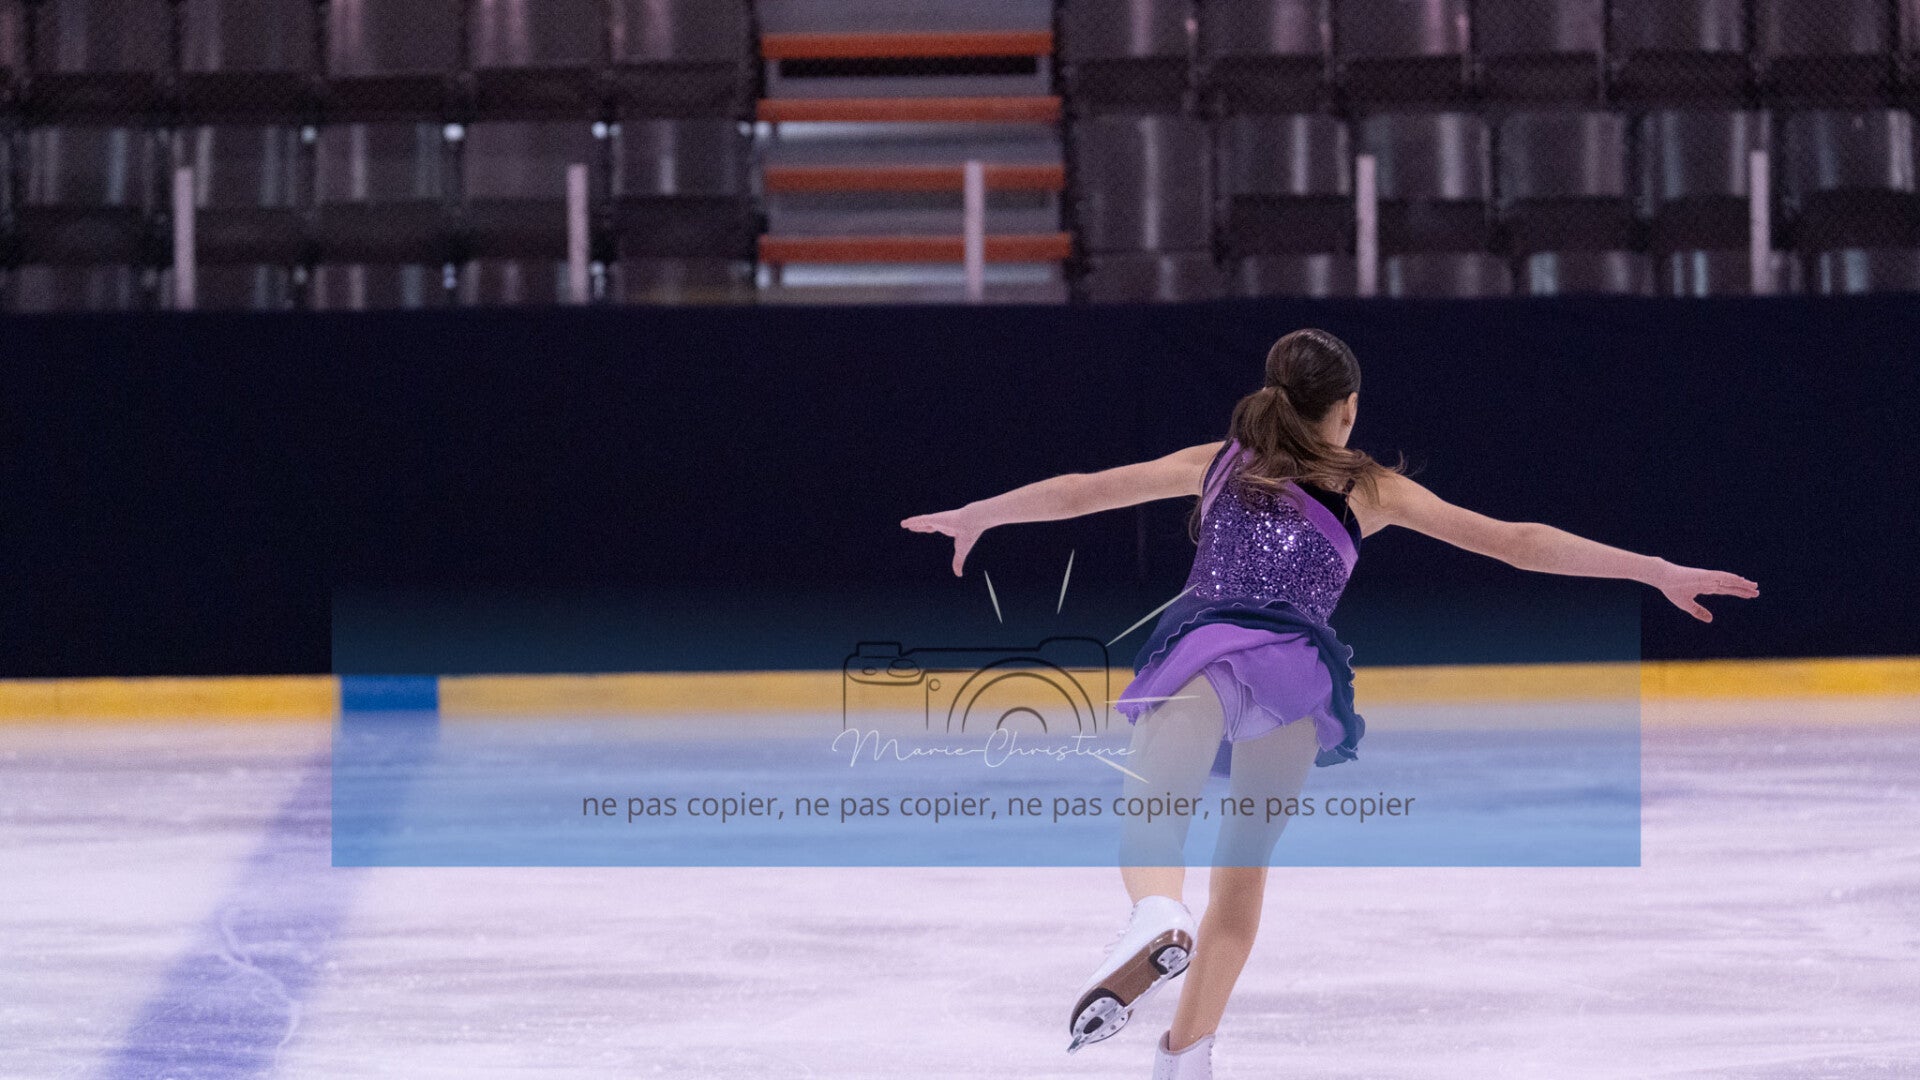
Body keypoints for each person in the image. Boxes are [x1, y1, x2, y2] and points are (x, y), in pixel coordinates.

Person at [901, 328, 1757, 1078]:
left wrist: (982, 513)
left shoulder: (1218, 462)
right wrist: (1654, 570)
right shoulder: (1372, 488)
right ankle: (1184, 1062)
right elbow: (1517, 544)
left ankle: (1157, 915)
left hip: (1207, 649)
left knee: (1153, 818)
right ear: (1346, 410)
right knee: (1242, 879)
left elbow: (1085, 488)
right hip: (1296, 679)